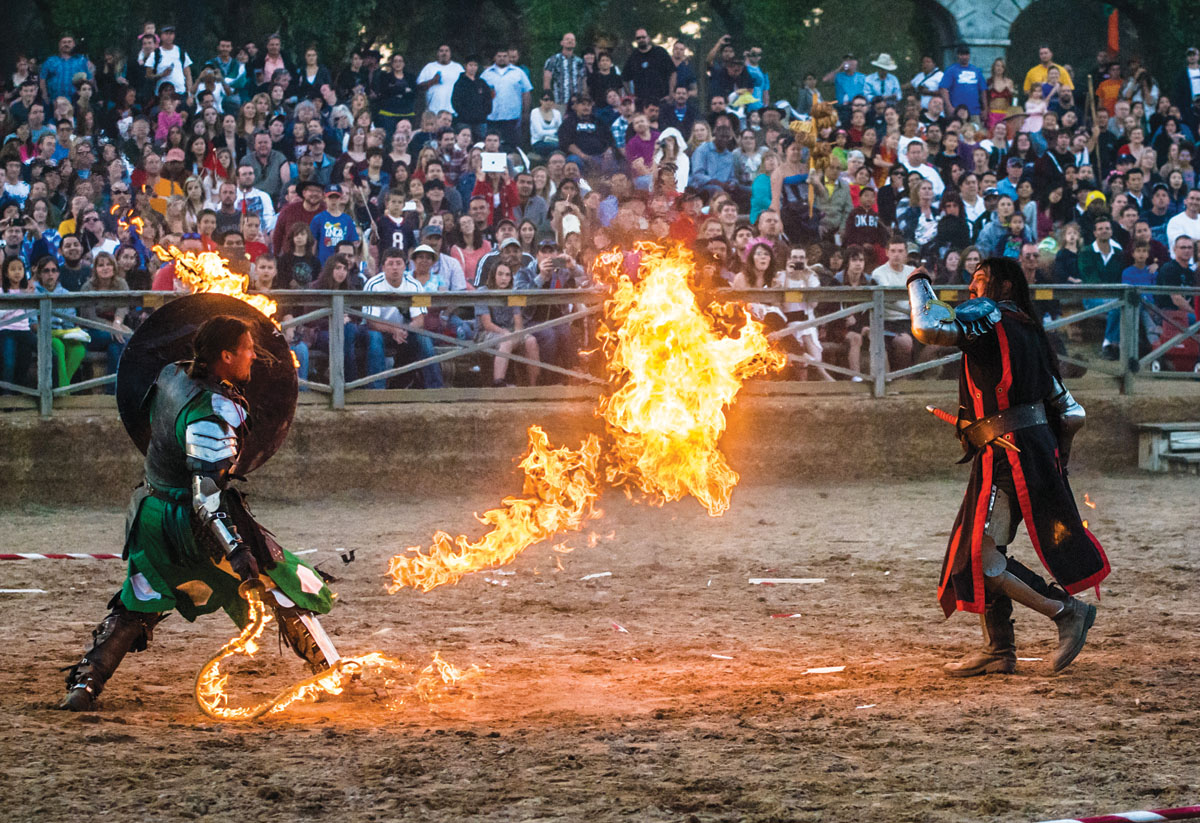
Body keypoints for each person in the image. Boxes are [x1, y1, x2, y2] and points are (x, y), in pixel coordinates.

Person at [60, 314, 337, 711]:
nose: (253, 357)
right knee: (279, 578)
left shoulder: (172, 375)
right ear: (225, 355)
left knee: (140, 599)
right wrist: (238, 550)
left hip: (150, 512)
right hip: (188, 523)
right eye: (246, 350)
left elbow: (153, 432)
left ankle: (86, 685)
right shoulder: (214, 410)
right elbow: (205, 496)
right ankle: (330, 668)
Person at [907, 257, 1107, 677]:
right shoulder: (1029, 331)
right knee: (980, 548)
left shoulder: (990, 313)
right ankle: (998, 650)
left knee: (980, 555)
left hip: (1009, 455)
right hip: (1022, 452)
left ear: (1004, 288)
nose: (972, 288)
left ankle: (1066, 611)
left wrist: (918, 280)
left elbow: (926, 326)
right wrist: (1056, 461)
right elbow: (1072, 413)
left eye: (981, 280)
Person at [476, 260, 540, 386]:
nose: (504, 278)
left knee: (531, 341)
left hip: (509, 332)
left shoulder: (513, 292)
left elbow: (518, 323)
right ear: (493, 275)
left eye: (507, 275)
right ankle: (498, 385)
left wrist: (516, 334)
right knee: (506, 340)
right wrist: (506, 333)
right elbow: (487, 324)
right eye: (500, 274)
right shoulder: (482, 291)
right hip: (486, 333)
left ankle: (534, 386)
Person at [482, 48, 533, 150]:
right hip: (492, 117)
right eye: (499, 56)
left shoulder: (519, 73)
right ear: (494, 58)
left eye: (505, 56)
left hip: (512, 117)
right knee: (492, 146)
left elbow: (526, 92)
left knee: (512, 147)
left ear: (508, 58)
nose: (502, 59)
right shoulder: (486, 74)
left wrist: (525, 112)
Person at [939, 46, 986, 121]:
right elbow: (943, 89)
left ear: (969, 55)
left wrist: (985, 108)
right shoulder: (951, 70)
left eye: (966, 54)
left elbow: (983, 91)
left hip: (974, 111)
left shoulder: (977, 71)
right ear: (958, 55)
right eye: (962, 54)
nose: (964, 57)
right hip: (957, 111)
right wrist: (949, 107)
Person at [417, 45, 465, 117]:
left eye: (446, 51)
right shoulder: (429, 67)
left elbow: (465, 87)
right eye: (441, 51)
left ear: (450, 53)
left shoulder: (458, 68)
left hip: (453, 111)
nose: (444, 53)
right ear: (437, 53)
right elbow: (419, 87)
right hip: (433, 111)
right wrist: (432, 81)